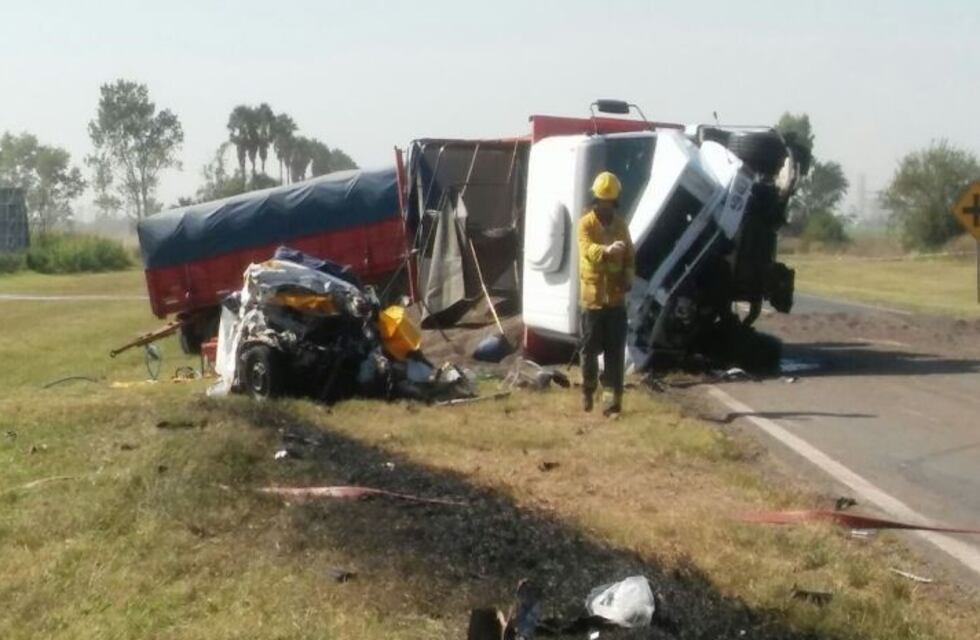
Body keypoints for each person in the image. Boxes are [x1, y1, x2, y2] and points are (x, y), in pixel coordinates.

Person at [577, 171, 635, 415]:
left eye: (609, 202)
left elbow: (630, 255)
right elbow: (588, 249)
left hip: (616, 300)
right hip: (593, 302)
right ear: (595, 200)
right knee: (589, 350)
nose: (606, 206)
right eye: (602, 201)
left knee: (615, 352)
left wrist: (629, 276)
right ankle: (588, 390)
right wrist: (607, 250)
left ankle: (612, 402)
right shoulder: (586, 224)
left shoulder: (621, 225)